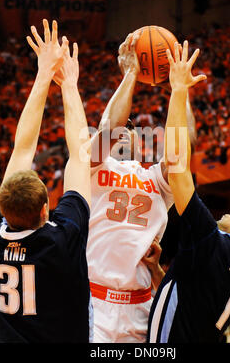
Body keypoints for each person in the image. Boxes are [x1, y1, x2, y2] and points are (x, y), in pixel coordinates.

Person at [145, 41, 230, 343]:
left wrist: (178, 90)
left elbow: (177, 165)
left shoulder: (214, 242)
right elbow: (189, 297)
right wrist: (158, 271)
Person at [86, 32, 206, 343]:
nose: (127, 133)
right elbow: (108, 129)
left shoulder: (158, 180)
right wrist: (131, 73)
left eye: (136, 129)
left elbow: (183, 149)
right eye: (126, 128)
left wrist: (178, 90)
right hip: (94, 302)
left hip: (140, 305)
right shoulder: (93, 165)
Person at [0, 20, 92, 342]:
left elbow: (23, 147)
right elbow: (80, 153)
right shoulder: (61, 237)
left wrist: (43, 74)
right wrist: (67, 83)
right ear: (46, 208)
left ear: (2, 206)